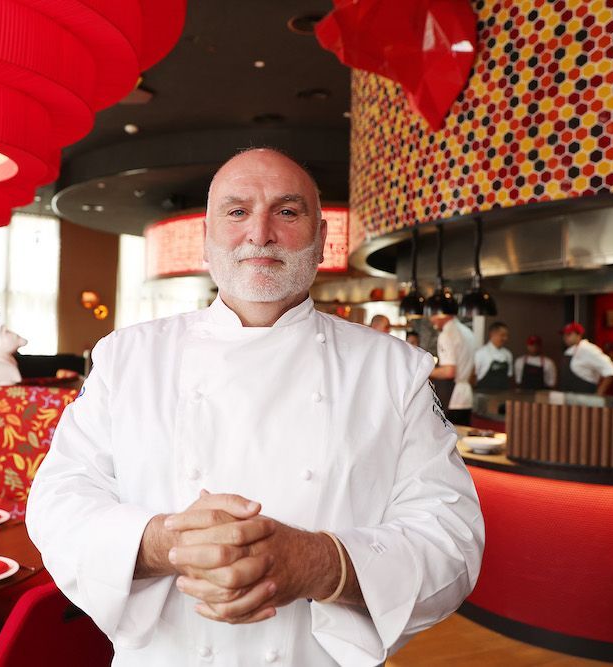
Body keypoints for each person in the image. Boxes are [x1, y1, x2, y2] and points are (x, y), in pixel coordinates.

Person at [27, 149, 484, 666]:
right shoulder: (126, 356)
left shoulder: (393, 370)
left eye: (287, 212)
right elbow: (58, 501)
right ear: (207, 236)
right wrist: (166, 544)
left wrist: (319, 564)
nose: (260, 232)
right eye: (237, 211)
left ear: (321, 240)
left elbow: (452, 540)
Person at [428, 311, 478, 426]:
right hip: (466, 397)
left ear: (442, 314)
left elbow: (449, 372)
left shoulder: (447, 334)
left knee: (448, 440)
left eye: (433, 315)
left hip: (452, 397)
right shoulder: (468, 332)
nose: (431, 320)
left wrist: (425, 371)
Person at [560, 322, 613, 395]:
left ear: (579, 335)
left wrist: (598, 394)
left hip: (585, 399)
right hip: (568, 399)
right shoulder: (569, 351)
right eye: (564, 334)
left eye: (569, 334)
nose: (565, 337)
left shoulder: (589, 349)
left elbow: (611, 371)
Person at [473, 322, 513, 392]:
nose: (505, 338)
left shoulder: (508, 354)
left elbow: (510, 376)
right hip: (483, 395)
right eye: (502, 335)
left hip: (503, 395)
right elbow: (474, 376)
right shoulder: (480, 353)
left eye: (507, 336)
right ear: (492, 334)